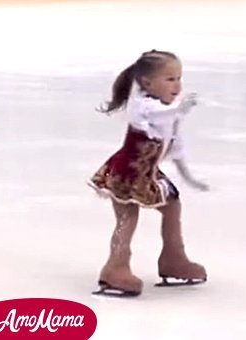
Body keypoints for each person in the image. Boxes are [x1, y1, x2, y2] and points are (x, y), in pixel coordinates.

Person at [89, 50, 208, 297]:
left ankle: (173, 258)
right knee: (128, 217)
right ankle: (115, 267)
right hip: (127, 173)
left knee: (172, 206)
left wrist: (190, 178)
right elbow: (161, 114)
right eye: (169, 79)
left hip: (149, 173)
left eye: (179, 78)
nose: (177, 85)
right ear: (147, 83)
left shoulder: (169, 112)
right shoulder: (142, 106)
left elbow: (176, 148)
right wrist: (179, 109)